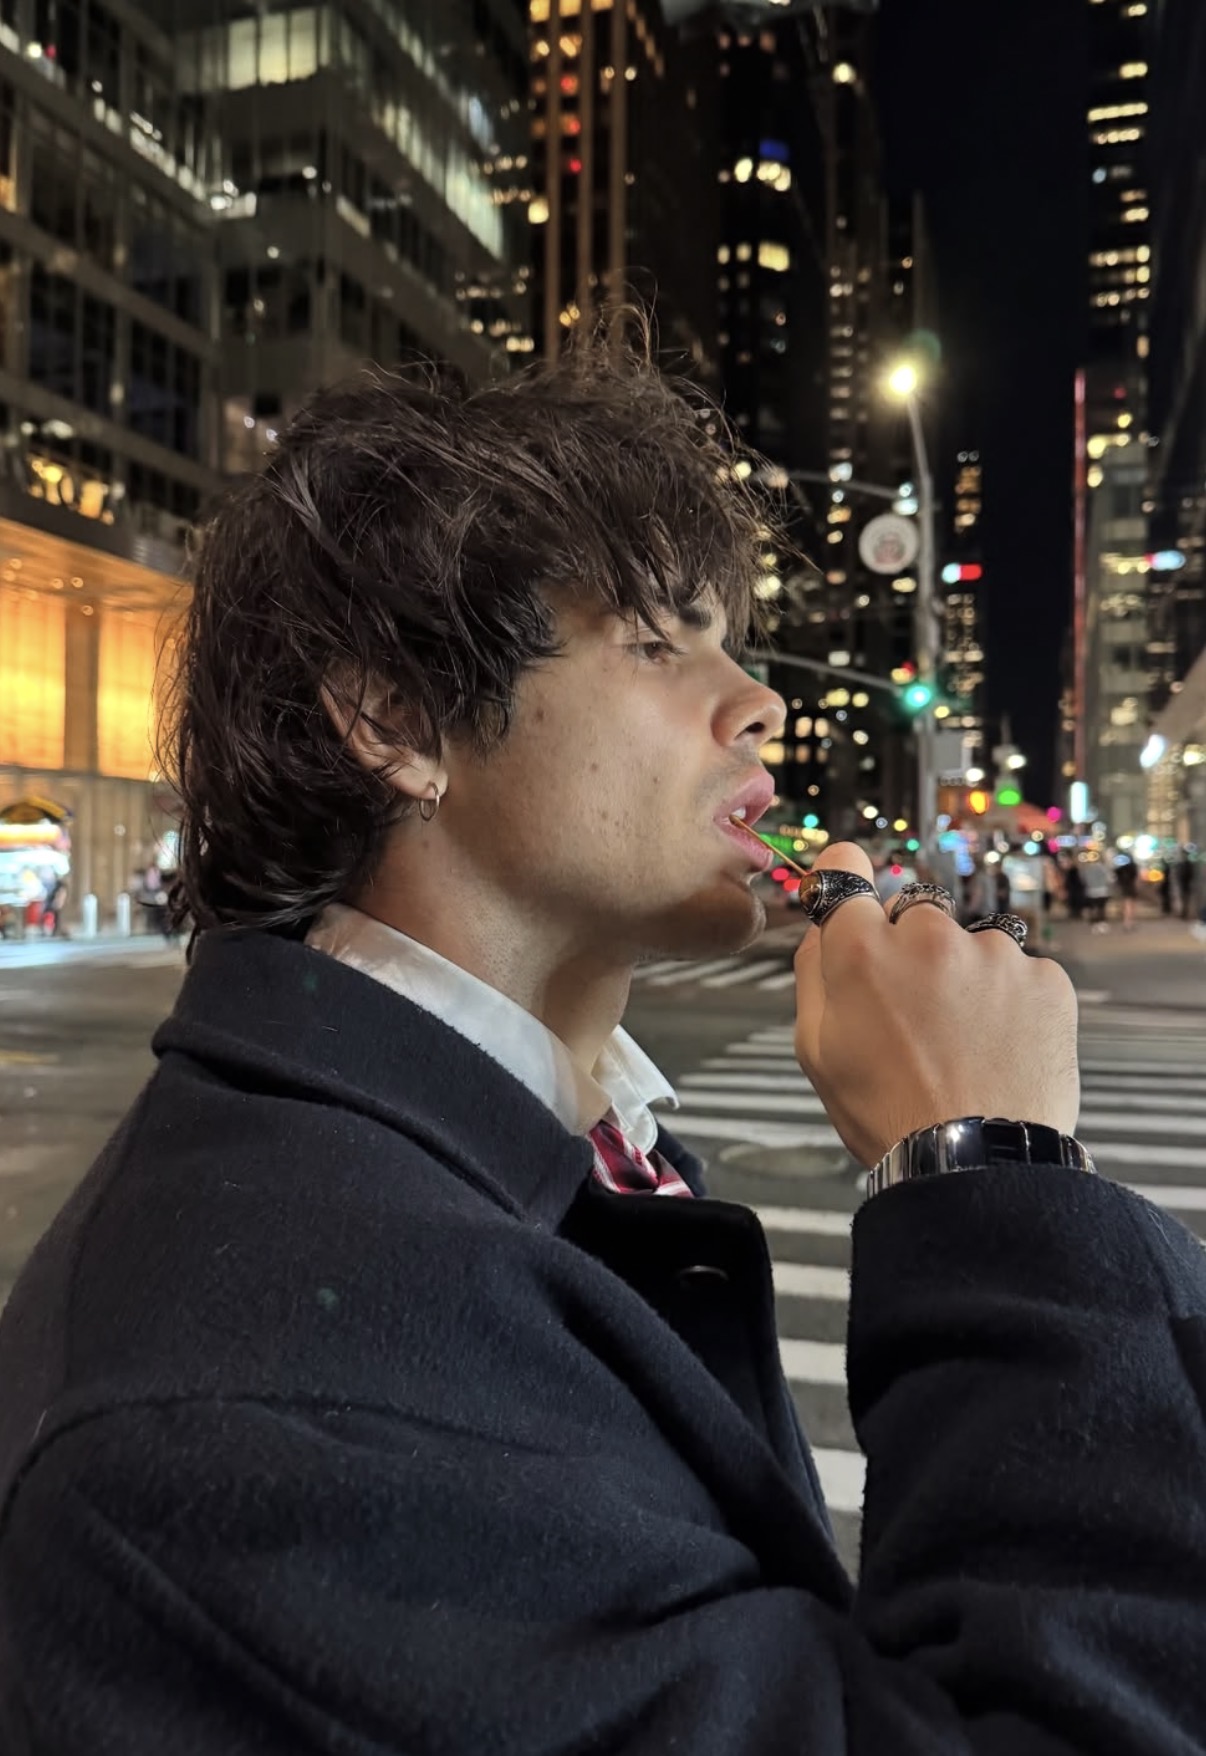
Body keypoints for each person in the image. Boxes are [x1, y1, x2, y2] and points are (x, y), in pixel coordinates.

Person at [4, 335, 1206, 1754]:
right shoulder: (244, 1403)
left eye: (728, 638)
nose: (756, 698)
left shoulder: (541, 1152)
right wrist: (990, 1182)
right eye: (652, 638)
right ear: (393, 717)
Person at [1114, 850, 1140, 931]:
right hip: (1131, 887)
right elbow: (1136, 878)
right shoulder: (1133, 867)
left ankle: (1127, 922)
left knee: (1126, 905)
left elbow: (1117, 879)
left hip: (1123, 887)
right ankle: (1129, 922)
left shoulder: (1119, 869)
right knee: (1131, 906)